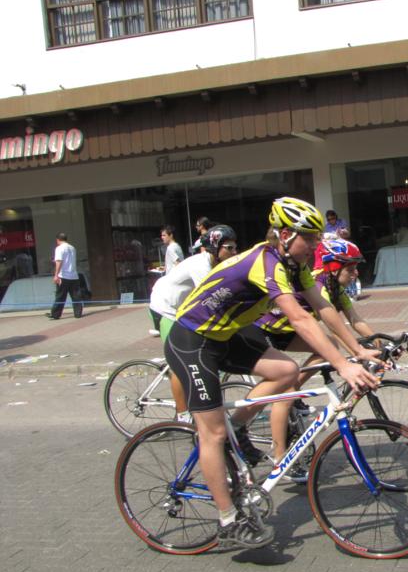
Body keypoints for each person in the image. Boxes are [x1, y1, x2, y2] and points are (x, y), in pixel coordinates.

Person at [165, 196, 379, 549]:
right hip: (193, 339)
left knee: (286, 370)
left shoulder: (295, 264)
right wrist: (343, 365)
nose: (315, 245)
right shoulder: (265, 263)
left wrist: (357, 350)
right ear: (284, 235)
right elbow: (299, 318)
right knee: (212, 434)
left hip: (227, 334)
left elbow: (322, 306)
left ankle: (237, 428)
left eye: (316, 237)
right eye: (308, 238)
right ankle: (228, 520)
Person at [253, 238, 377, 481]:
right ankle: (280, 460)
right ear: (334, 267)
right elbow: (336, 327)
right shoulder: (320, 285)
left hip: (286, 331)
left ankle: (294, 390)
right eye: (351, 268)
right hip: (265, 330)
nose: (355, 273)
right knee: (287, 393)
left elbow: (355, 319)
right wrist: (357, 353)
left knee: (327, 348)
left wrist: (381, 344)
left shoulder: (336, 287)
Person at [149, 225, 238, 423]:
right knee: (180, 364)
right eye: (229, 248)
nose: (234, 252)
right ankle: (183, 416)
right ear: (215, 248)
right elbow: (211, 297)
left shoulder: (217, 264)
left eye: (235, 247)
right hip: (166, 309)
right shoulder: (201, 265)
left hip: (184, 310)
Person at [47, 233, 83, 320]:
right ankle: (78, 313)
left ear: (58, 240)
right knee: (76, 295)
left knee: (60, 295)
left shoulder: (59, 248)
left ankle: (55, 314)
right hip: (74, 275)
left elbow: (59, 261)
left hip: (63, 275)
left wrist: (56, 275)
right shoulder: (72, 248)